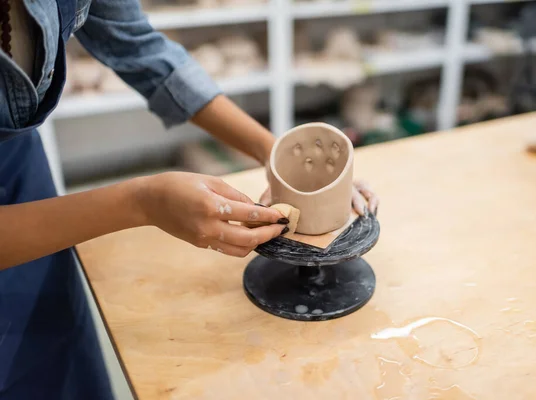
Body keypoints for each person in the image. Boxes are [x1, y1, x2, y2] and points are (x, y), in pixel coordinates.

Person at [0, 0, 379, 398]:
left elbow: (138, 46)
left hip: (19, 166)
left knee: (59, 345)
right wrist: (142, 202)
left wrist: (277, 154)